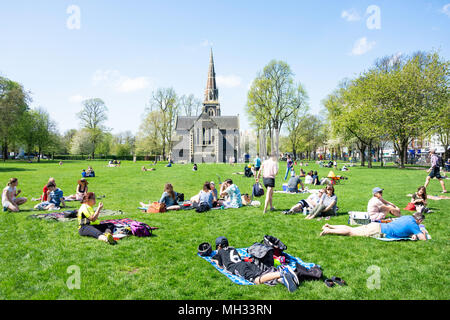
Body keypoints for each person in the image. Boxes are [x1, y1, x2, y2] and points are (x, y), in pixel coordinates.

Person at [210, 236, 300, 292]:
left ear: (219, 246)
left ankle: (281, 273)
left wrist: (214, 260)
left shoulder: (220, 252)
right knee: (263, 275)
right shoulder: (233, 248)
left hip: (237, 267)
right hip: (245, 263)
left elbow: (220, 265)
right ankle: (283, 280)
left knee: (256, 280)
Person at [319, 212, 428, 240]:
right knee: (351, 233)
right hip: (378, 230)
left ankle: (330, 226)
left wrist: (410, 235)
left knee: (351, 229)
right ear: (419, 220)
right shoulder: (414, 225)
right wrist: (422, 231)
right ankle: (328, 231)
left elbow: (401, 228)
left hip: (376, 225)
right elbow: (423, 239)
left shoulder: (407, 217)